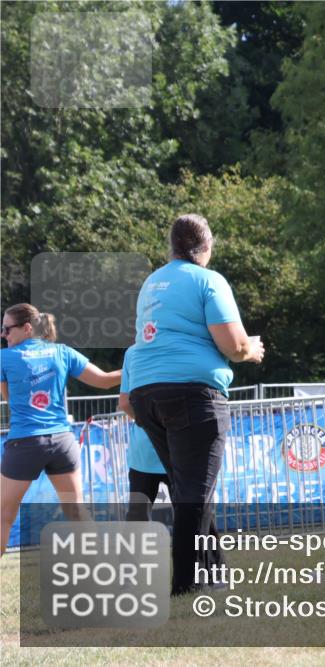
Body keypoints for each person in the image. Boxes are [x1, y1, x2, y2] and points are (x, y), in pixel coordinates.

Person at [128, 213, 264, 595]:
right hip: (193, 395)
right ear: (207, 247)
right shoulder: (208, 280)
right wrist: (251, 350)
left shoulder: (151, 282)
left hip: (146, 394)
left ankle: (214, 573)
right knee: (195, 493)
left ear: (171, 247)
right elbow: (233, 345)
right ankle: (185, 585)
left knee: (191, 489)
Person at [0, 304, 121, 555]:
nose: (3, 335)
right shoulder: (62, 352)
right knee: (76, 511)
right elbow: (105, 380)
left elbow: (10, 399)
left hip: (25, 442)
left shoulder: (5, 358)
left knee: (4, 516)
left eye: (6, 329)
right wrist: (139, 365)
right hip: (62, 442)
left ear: (27, 328)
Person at [118, 345, 170, 522]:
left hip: (143, 450)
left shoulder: (132, 352)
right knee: (194, 515)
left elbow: (125, 403)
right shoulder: (184, 345)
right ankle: (201, 550)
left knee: (137, 518)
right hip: (180, 446)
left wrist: (147, 423)